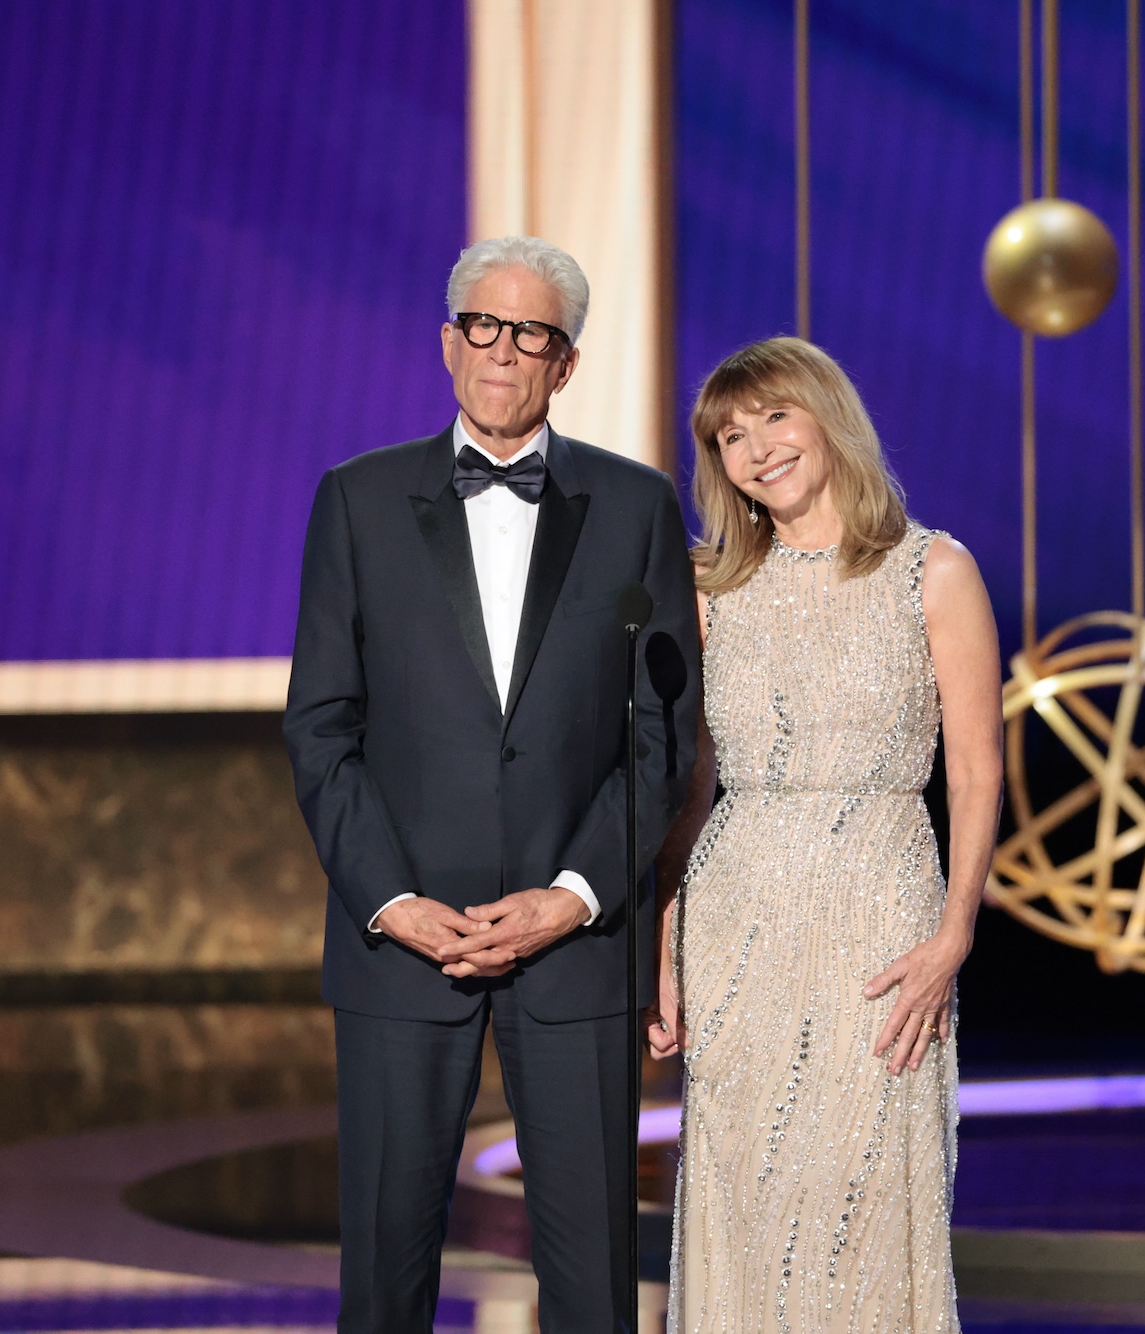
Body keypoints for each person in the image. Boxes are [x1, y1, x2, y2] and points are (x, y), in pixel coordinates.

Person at [284, 235, 701, 1333]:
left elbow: (661, 733)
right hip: (398, 942)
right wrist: (392, 900)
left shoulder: (636, 504)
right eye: (482, 324)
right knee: (383, 1272)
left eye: (531, 334)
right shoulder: (356, 500)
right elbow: (322, 725)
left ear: (564, 364)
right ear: (445, 341)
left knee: (595, 1280)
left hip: (577, 944)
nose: (502, 352)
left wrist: (571, 893)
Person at [647, 338, 1003, 1332]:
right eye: (728, 433)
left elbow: (977, 770)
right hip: (736, 911)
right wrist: (663, 934)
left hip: (879, 909)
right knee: (744, 1189)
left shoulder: (932, 570)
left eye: (772, 417)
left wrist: (952, 933)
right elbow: (687, 786)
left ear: (825, 417)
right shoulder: (712, 590)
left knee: (865, 1178)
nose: (754, 446)